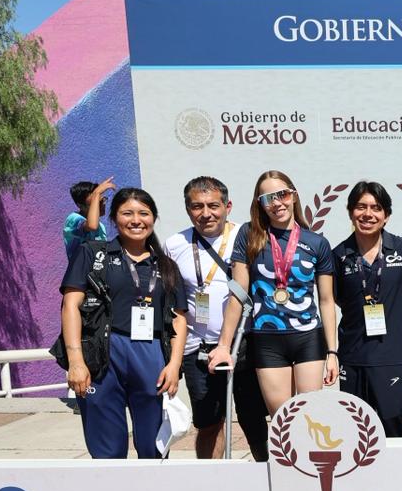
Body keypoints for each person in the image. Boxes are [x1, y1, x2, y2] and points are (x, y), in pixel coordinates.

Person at [61, 188, 187, 458]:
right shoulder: (92, 254)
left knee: (154, 446)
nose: (136, 220)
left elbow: (178, 317)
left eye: (144, 213)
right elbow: (70, 305)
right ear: (114, 218)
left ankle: (152, 486)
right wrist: (76, 361)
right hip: (103, 354)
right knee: (107, 448)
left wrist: (174, 365)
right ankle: (110, 486)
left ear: (154, 218)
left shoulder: (166, 266)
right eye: (127, 213)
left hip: (151, 354)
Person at [209, 171, 337, 415]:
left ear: (294, 196)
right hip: (268, 338)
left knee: (310, 416)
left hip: (308, 336)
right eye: (268, 198)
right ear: (260, 204)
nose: (277, 203)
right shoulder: (249, 235)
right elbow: (238, 294)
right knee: (282, 419)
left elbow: (326, 300)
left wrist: (332, 352)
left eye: (283, 194)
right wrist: (224, 345)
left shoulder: (316, 242)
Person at [164, 176, 268, 459]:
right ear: (188, 209)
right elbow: (174, 305)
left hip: (246, 343)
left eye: (213, 205)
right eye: (197, 206)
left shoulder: (249, 236)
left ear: (227, 206)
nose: (206, 213)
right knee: (209, 424)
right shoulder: (175, 244)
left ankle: (265, 474)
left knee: (254, 421)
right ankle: (210, 479)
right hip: (198, 348)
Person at [331, 181, 402, 437]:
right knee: (354, 430)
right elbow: (337, 299)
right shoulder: (338, 255)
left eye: (376, 208)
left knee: (392, 427)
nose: (368, 214)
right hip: (353, 355)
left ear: (386, 215)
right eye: (361, 207)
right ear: (350, 212)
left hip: (391, 355)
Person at [63, 178, 113, 261]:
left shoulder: (101, 226)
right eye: (95, 203)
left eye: (102, 201)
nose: (102, 205)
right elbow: (92, 226)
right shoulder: (73, 219)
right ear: (80, 205)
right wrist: (97, 193)